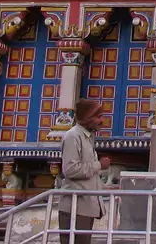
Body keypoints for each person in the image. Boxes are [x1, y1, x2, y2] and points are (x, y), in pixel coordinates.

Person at [59, 99, 111, 244]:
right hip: (75, 207)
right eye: (98, 117)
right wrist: (99, 165)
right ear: (88, 117)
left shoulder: (87, 137)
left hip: (86, 206)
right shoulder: (73, 136)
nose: (102, 121)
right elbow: (70, 170)